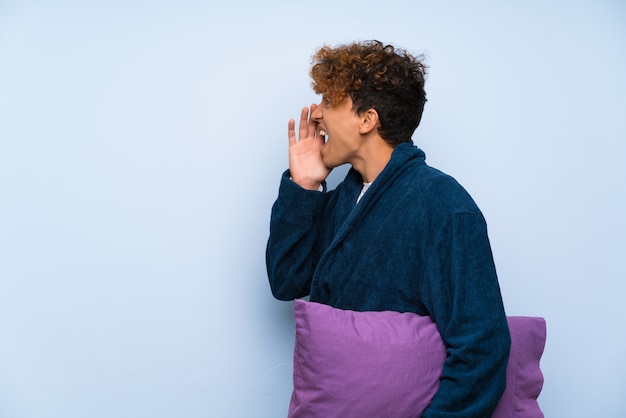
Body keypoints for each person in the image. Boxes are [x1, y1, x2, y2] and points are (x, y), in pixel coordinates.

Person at [266, 40, 511, 417]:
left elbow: (482, 347)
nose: (316, 114)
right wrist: (304, 188)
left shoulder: (444, 205)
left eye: (329, 102)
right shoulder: (342, 201)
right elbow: (286, 282)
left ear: (367, 120)